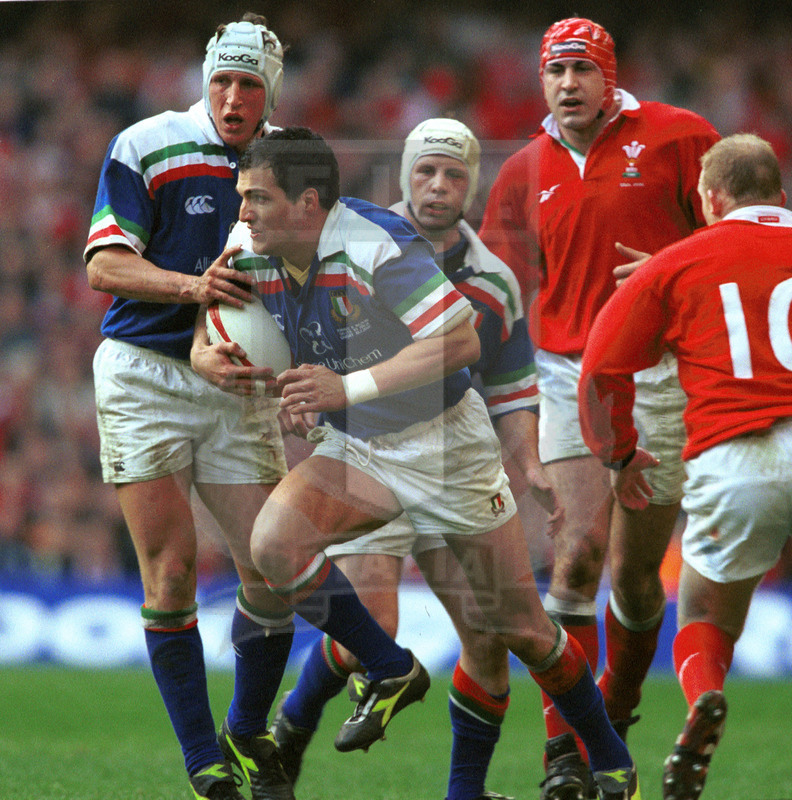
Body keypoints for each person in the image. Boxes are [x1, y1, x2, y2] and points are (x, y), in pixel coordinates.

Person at [191, 125, 642, 800]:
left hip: (444, 448)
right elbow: (210, 323)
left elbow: (458, 341)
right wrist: (212, 360)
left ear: (308, 204)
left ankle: (610, 758)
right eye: (241, 198)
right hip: (359, 447)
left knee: (519, 627)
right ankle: (387, 665)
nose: (243, 213)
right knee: (274, 545)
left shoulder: (373, 244)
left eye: (257, 199)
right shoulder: (248, 247)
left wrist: (346, 387)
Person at [264, 118, 558, 800]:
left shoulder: (495, 282)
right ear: (404, 175)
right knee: (374, 623)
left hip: (452, 459)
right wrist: (303, 395)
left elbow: (512, 392)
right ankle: (291, 732)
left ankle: (464, 792)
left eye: (454, 174)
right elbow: (301, 326)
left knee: (487, 638)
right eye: (425, 171)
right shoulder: (354, 238)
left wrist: (533, 465)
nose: (438, 185)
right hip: (373, 453)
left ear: (472, 185)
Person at [478, 17, 720, 797]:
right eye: (555, 72)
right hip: (566, 377)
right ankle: (569, 754)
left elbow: (749, 237)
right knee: (577, 555)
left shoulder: (682, 138)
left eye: (582, 69)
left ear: (609, 74)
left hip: (662, 376)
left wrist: (678, 265)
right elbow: (496, 292)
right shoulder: (524, 169)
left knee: (637, 573)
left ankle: (615, 706)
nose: (568, 84)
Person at [84, 14, 297, 800]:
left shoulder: (289, 160)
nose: (235, 98)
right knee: (171, 574)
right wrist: (194, 287)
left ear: (271, 91)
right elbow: (106, 267)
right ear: (204, 80)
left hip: (236, 379)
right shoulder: (147, 143)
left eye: (250, 84)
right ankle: (203, 760)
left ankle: (245, 726)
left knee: (273, 569)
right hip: (145, 373)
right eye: (223, 81)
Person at [578, 133, 792, 800]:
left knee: (703, 606)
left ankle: (703, 698)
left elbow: (599, 370)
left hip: (740, 453)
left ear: (708, 199)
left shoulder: (678, 264)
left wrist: (619, 452)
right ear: (781, 196)